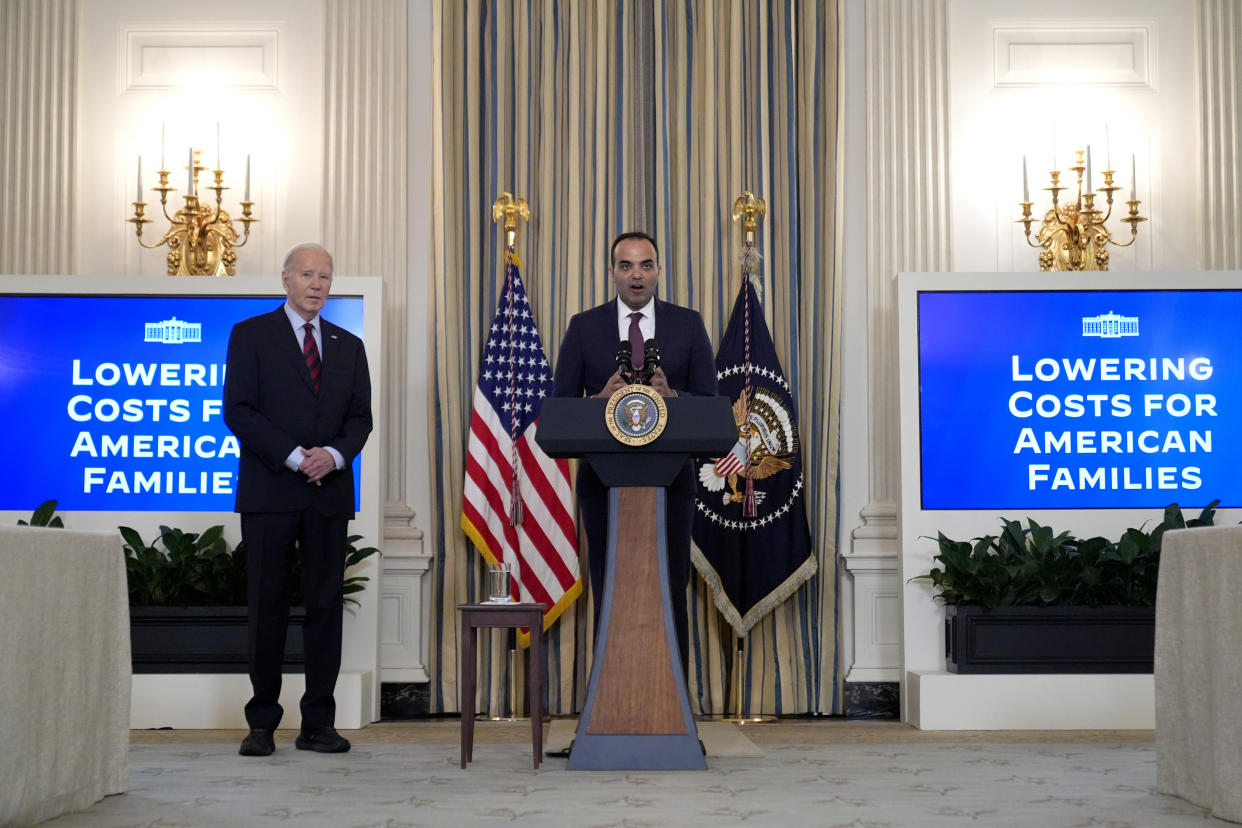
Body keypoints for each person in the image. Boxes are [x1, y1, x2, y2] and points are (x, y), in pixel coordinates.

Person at [223, 243, 372, 757]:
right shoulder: (250, 335)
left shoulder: (349, 345)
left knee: (324, 609)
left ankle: (318, 723)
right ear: (285, 278)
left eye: (325, 277)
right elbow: (238, 411)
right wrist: (292, 456)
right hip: (270, 491)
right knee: (267, 608)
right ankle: (262, 722)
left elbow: (360, 419)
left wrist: (331, 455)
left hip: (327, 493)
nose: (317, 284)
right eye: (307, 274)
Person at [552, 231, 717, 673]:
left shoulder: (688, 324)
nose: (636, 275)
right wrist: (597, 402)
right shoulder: (584, 327)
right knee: (610, 588)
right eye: (626, 266)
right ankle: (606, 713)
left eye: (645, 265)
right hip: (603, 485)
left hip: (673, 484)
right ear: (612, 274)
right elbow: (558, 409)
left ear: (658, 271)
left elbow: (713, 404)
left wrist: (675, 396)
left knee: (669, 587)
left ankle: (675, 712)